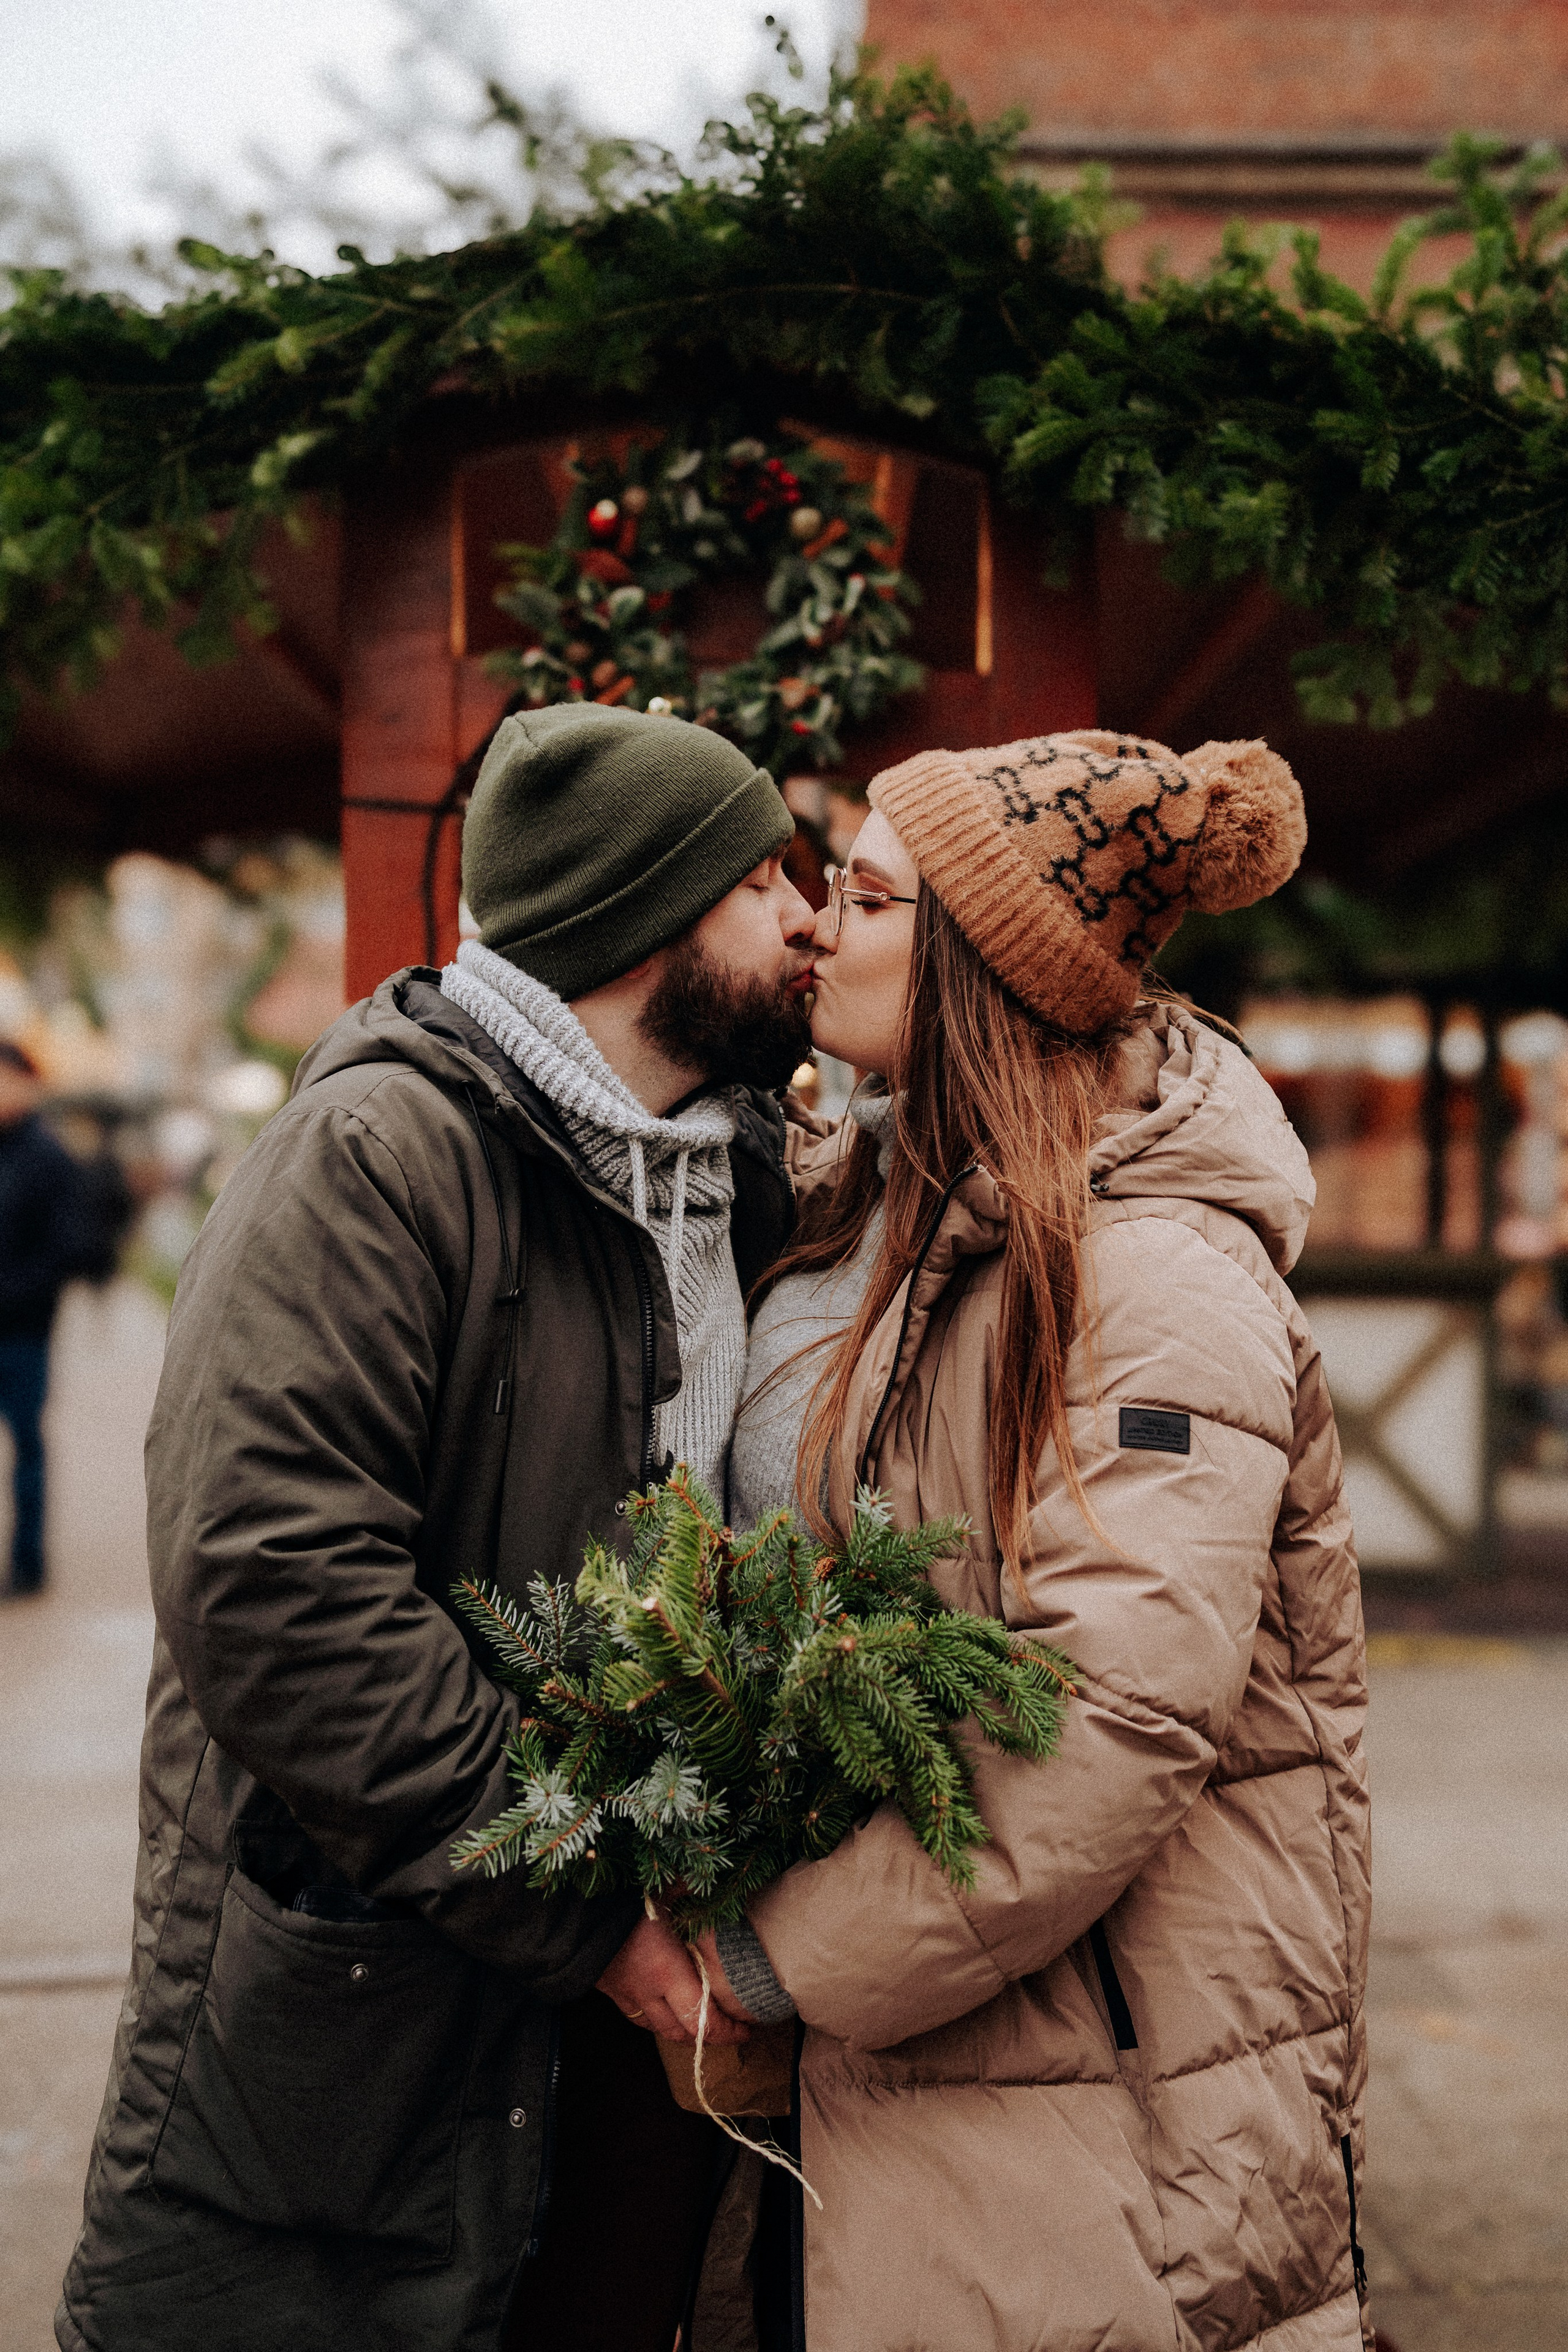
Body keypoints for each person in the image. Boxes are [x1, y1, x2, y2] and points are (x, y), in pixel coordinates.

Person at [58, 703, 820, 2352]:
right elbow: (273, 1582)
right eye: (770, 880)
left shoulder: (728, 1176)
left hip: (635, 2000)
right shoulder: (374, 1154)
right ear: (650, 912)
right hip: (370, 2000)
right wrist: (585, 1908)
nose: (811, 917)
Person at [709, 730, 1373, 2351]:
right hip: (940, 2078)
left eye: (864, 894)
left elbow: (1104, 1719)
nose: (817, 924)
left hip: (1097, 2122)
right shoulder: (908, 1216)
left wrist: (767, 1965)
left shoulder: (1153, 1288)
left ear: (977, 963)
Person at [0, 1040, 128, 1598]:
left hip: (24, 1330)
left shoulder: (51, 1159)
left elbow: (74, 1246)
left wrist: (18, 1290)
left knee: (27, 1443)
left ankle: (28, 1564)